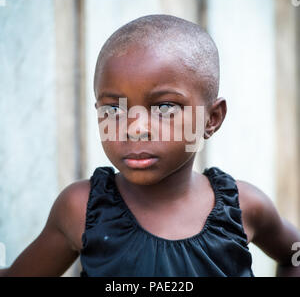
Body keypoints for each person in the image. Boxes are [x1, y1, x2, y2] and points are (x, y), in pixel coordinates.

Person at [1, 15, 299, 277]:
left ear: (212, 118)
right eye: (113, 110)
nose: (135, 128)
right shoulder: (81, 209)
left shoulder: (244, 207)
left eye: (165, 107)